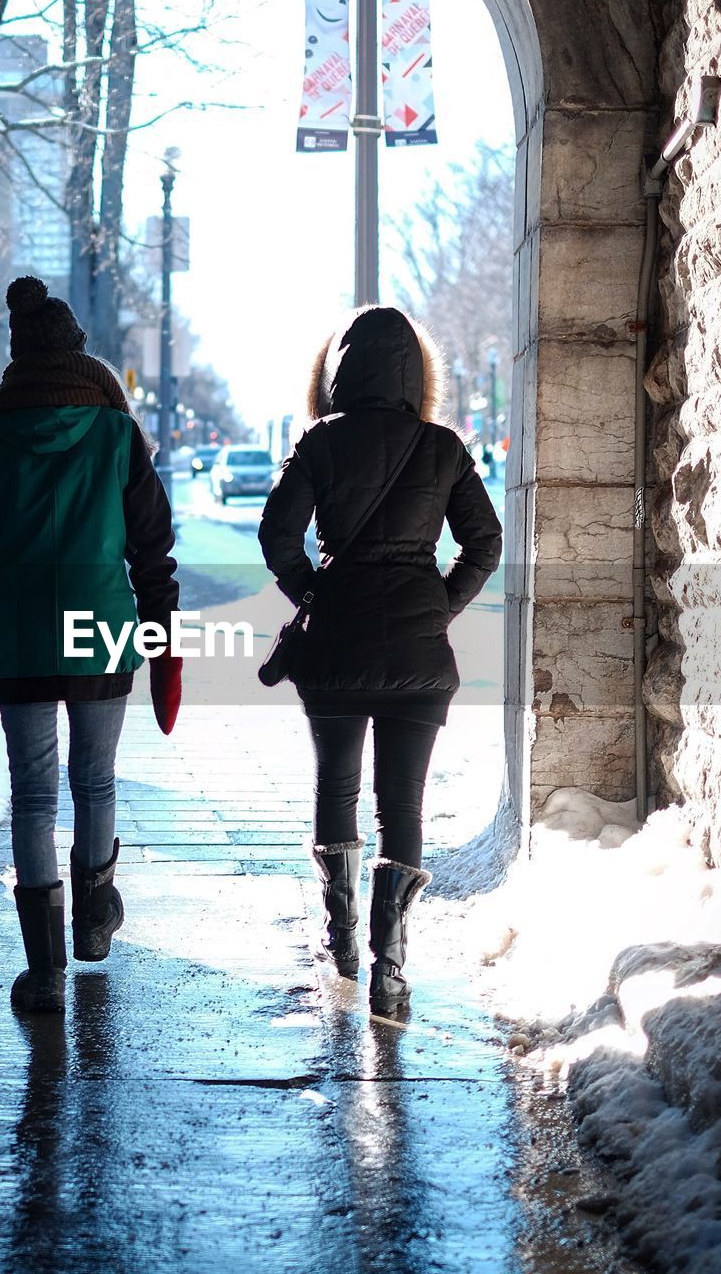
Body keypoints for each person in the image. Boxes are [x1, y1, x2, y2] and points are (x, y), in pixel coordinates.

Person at [0, 276, 181, 1014]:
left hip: (18, 631)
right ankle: (94, 920)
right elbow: (151, 548)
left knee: (34, 796)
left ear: (17, 354)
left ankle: (44, 971)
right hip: (102, 627)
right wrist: (165, 643)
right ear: (78, 351)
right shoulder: (115, 431)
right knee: (96, 782)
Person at [258, 306, 502, 1016]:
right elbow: (483, 544)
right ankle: (389, 969)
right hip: (417, 652)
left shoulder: (317, 443)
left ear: (337, 372)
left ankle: (338, 939)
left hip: (334, 644)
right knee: (405, 805)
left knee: (336, 787)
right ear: (416, 372)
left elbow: (278, 536)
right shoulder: (443, 447)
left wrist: (314, 592)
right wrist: (440, 606)